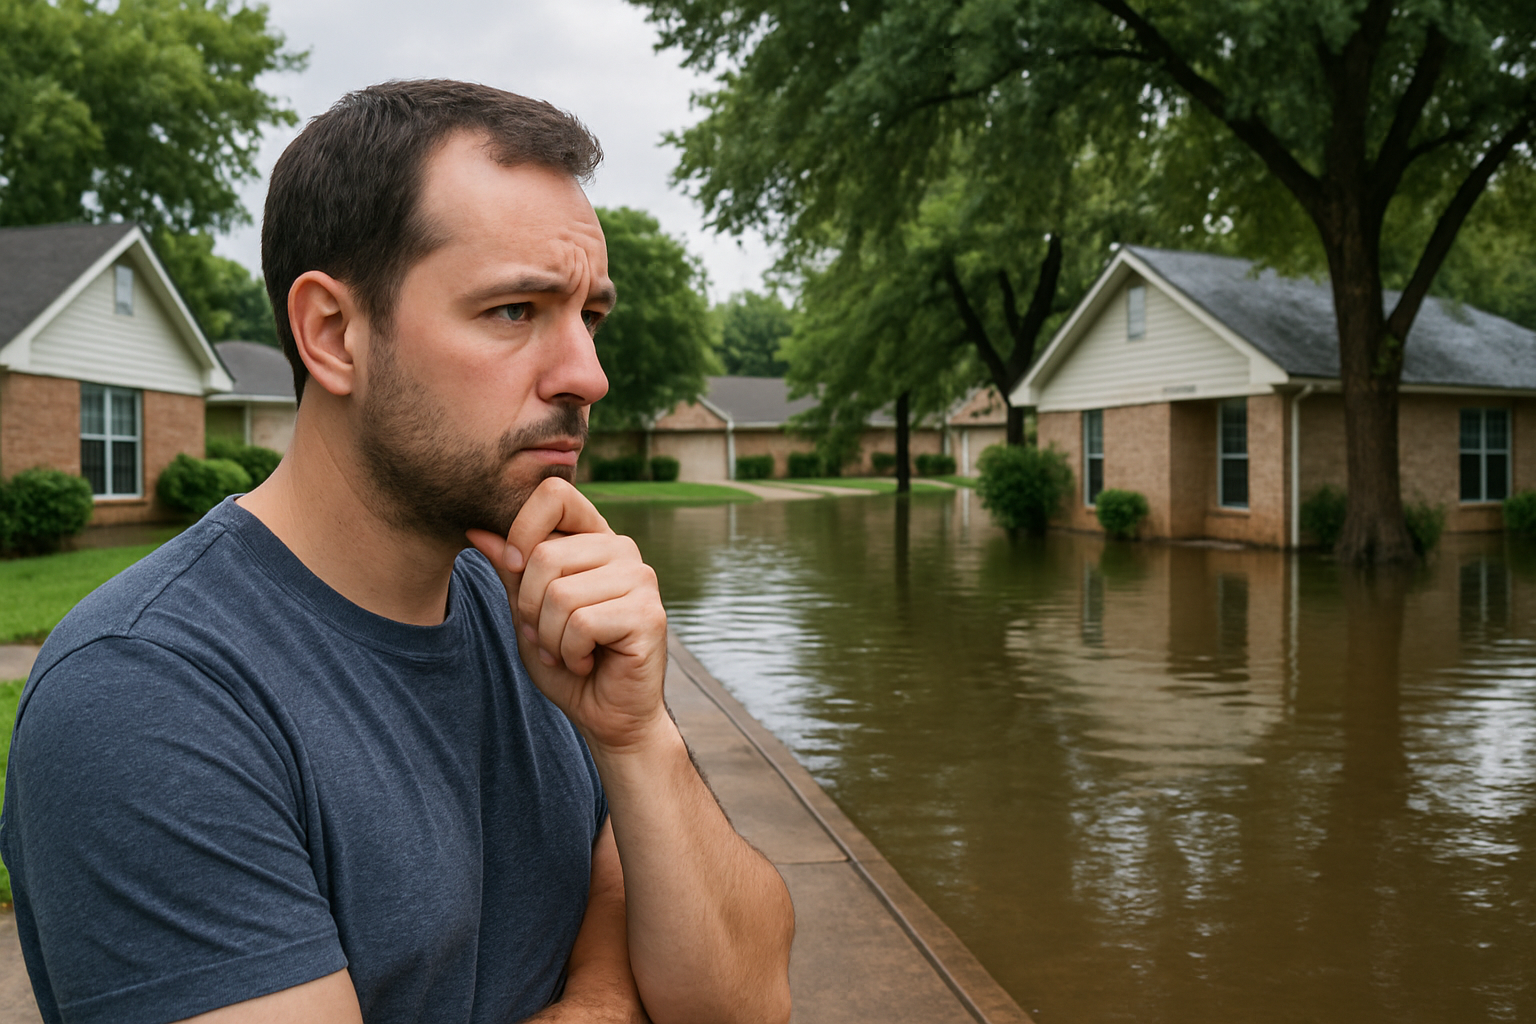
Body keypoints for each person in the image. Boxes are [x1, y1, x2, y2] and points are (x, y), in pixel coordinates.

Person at [0, 80, 794, 1024]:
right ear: (334, 334)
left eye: (590, 316)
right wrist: (612, 1005)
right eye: (514, 310)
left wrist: (637, 738)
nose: (588, 372)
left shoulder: (529, 604)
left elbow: (747, 1000)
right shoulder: (147, 694)